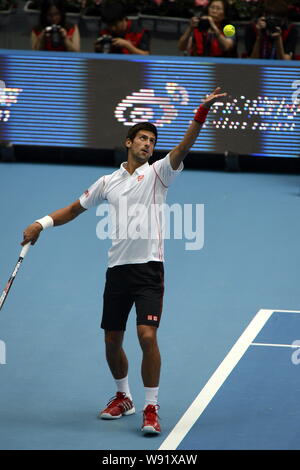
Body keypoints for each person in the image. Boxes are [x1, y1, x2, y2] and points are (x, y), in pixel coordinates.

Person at [21, 86, 227, 435]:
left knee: (147, 336)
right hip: (117, 271)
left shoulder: (160, 173)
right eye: (143, 138)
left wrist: (200, 114)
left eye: (152, 140)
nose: (148, 144)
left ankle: (150, 406)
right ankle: (123, 397)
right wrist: (40, 223)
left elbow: (183, 147)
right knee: (112, 341)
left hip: (149, 270)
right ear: (128, 142)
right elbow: (73, 209)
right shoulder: (108, 182)